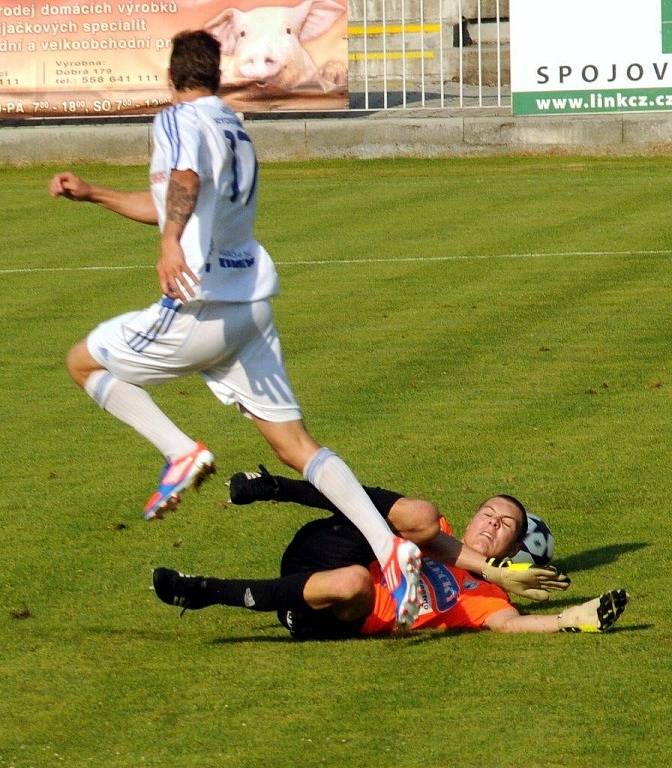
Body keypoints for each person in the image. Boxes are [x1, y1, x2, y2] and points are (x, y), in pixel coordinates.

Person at [47, 30, 422, 628]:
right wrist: (93, 193)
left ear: (171, 79)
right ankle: (392, 550)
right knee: (295, 445)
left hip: (204, 305)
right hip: (252, 306)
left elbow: (185, 186)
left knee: (82, 362)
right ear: (218, 77)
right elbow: (172, 196)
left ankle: (180, 452)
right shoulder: (233, 125)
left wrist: (169, 244)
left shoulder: (175, 120)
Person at [153, 471, 626, 637]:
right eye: (488, 512)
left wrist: (569, 620)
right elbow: (357, 499)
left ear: (515, 548)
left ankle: (204, 591)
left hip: (330, 609)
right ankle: (275, 486)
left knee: (355, 582)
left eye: (505, 525)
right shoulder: (438, 531)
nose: (491, 523)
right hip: (320, 547)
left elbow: (513, 624)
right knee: (415, 512)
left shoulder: (488, 602)